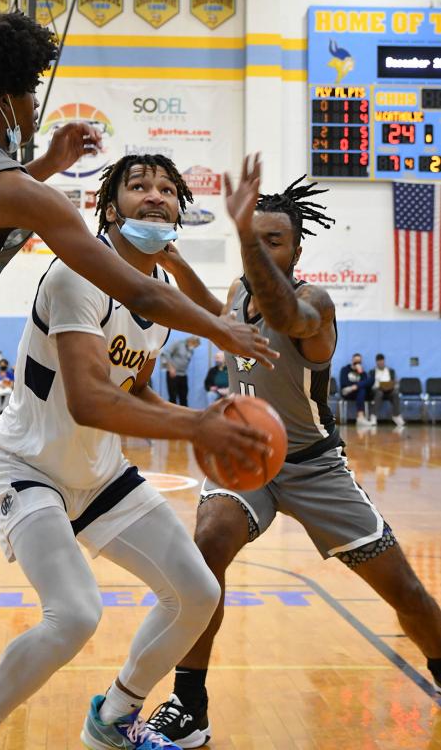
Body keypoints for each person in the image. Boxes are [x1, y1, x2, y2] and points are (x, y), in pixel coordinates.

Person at [0, 12, 273, 708]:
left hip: (86, 471)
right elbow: (126, 289)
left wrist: (46, 165)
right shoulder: (28, 206)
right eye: (31, 94)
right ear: (9, 99)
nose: (35, 107)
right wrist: (225, 333)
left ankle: (117, 710)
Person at [0, 154, 276, 750]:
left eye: (168, 189)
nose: (154, 195)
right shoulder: (74, 277)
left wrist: (199, 420)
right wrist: (198, 425)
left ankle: (115, 717)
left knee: (198, 592)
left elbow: (133, 386)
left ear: (179, 211)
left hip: (99, 475)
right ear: (108, 206)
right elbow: (91, 401)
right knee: (73, 615)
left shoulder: (159, 299)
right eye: (138, 185)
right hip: (27, 467)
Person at [146, 159, 441, 748]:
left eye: (272, 241)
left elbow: (282, 314)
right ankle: (190, 703)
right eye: (253, 239)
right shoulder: (237, 291)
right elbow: (217, 315)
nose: (258, 249)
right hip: (245, 457)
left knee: (404, 590)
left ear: (295, 252)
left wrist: (241, 235)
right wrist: (174, 262)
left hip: (313, 465)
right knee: (207, 548)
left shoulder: (314, 305)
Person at [161, 336, 200, 406]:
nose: (194, 347)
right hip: (173, 374)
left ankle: (185, 415)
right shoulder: (178, 344)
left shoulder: (191, 350)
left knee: (184, 397)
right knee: (173, 397)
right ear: (191, 341)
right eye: (195, 345)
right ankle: (172, 415)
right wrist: (170, 368)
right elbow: (165, 354)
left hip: (183, 375)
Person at [369, 353, 405, 427]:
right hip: (377, 390)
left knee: (395, 393)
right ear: (376, 362)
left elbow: (394, 382)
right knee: (379, 393)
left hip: (389, 390)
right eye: (379, 362)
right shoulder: (372, 372)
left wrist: (394, 384)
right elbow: (370, 385)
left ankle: (396, 415)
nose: (381, 364)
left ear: (384, 361)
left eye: (382, 362)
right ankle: (374, 416)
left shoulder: (391, 371)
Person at [339, 353, 373, 427]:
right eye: (355, 362)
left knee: (368, 383)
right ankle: (361, 418)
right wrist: (356, 385)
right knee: (361, 388)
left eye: (359, 362)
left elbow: (366, 383)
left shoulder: (362, 372)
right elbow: (344, 383)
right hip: (347, 392)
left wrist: (361, 373)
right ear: (352, 361)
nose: (357, 364)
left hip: (358, 393)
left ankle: (360, 418)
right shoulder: (345, 369)